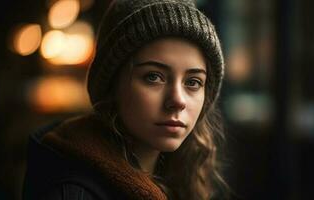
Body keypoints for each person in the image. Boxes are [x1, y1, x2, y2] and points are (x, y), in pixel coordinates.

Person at [23, 0, 229, 199]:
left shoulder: (187, 179)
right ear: (113, 85)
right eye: (153, 77)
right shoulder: (71, 194)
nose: (177, 100)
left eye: (193, 82)